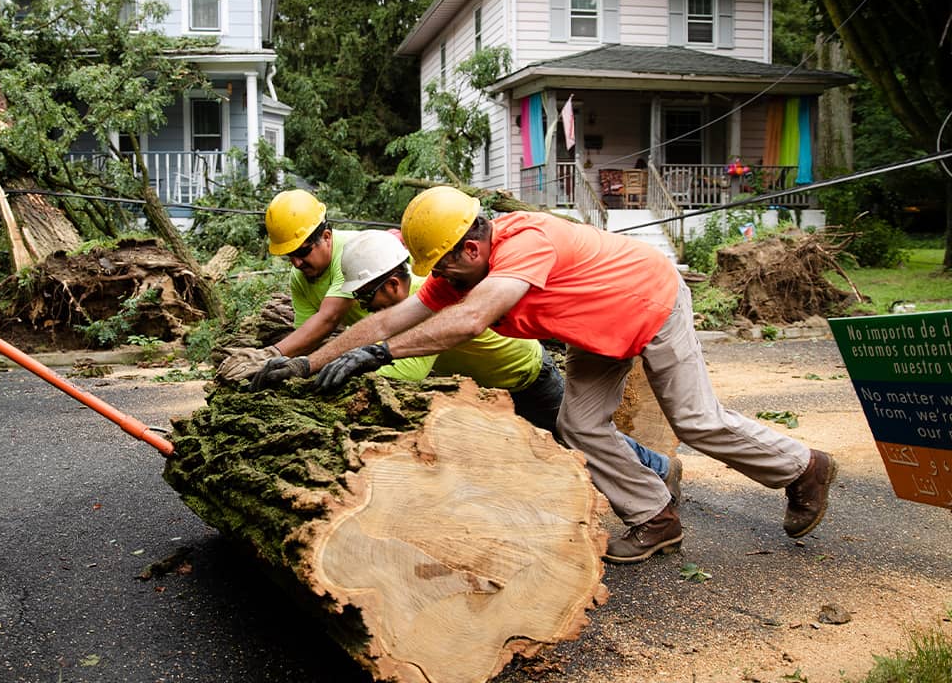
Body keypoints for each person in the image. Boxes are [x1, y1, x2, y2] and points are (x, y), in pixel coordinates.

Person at [253, 186, 836, 565]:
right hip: (597, 333)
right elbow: (392, 318)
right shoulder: (458, 271)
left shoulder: (525, 240)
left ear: (472, 249)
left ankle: (803, 467)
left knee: (694, 419)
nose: (443, 280)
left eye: (447, 267)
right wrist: (309, 362)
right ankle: (654, 515)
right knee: (578, 423)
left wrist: (381, 358)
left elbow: (472, 318)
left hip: (648, 301)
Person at [334, 230, 679, 495]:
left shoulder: (429, 300)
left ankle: (660, 468)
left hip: (526, 377)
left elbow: (407, 374)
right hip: (488, 386)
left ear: (393, 284)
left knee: (578, 437)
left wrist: (356, 382)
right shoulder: (412, 301)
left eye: (366, 296)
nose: (364, 306)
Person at [216, 190, 368, 381]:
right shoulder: (299, 277)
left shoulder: (352, 253)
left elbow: (329, 318)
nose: (297, 263)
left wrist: (269, 355)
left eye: (303, 252)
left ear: (327, 237)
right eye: (290, 256)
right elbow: (308, 336)